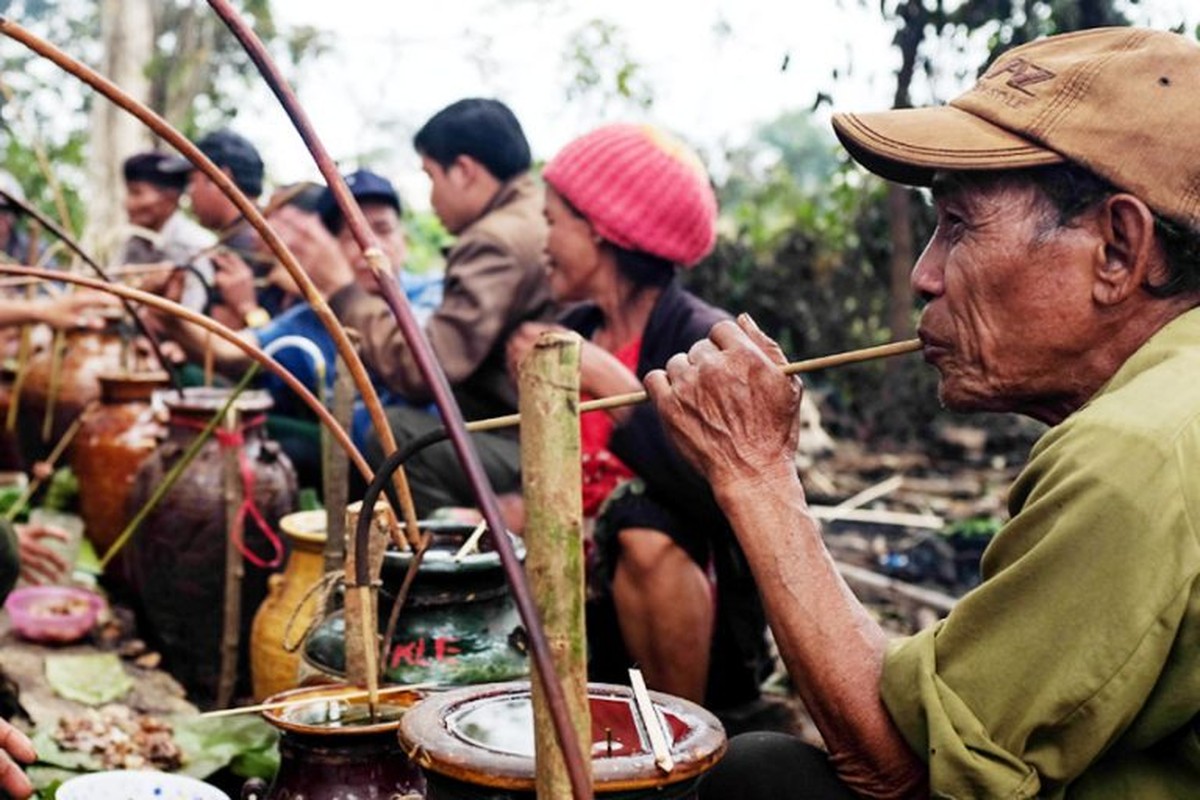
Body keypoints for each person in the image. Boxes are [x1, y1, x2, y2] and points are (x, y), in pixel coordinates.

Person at [640, 27, 1200, 799]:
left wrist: (754, 471)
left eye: (960, 225)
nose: (923, 274)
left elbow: (903, 771)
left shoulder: (1136, 452)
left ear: (1117, 249)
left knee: (761, 778)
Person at [505, 123, 769, 709]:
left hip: (686, 621)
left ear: (600, 232)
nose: (542, 242)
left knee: (643, 522)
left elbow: (731, 500)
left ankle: (680, 745)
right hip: (579, 603)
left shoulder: (702, 340)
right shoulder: (572, 331)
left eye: (552, 222)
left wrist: (618, 388)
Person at [271, 98, 554, 512]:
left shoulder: (494, 240)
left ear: (464, 171)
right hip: (536, 427)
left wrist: (343, 290)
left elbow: (422, 368)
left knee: (399, 433)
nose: (432, 198)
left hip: (534, 443)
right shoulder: (531, 214)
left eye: (431, 177)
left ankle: (453, 560)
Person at [117, 151, 215, 311]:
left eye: (136, 192)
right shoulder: (135, 242)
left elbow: (193, 312)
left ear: (170, 196)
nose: (127, 203)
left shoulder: (196, 245)